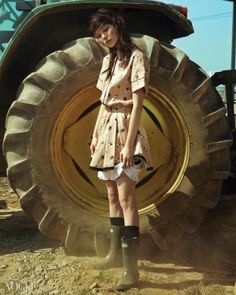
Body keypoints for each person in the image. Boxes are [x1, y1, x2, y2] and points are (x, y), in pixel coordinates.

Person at [89, 8, 153, 291]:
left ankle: (131, 269)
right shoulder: (107, 61)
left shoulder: (136, 57)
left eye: (106, 30)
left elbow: (138, 102)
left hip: (126, 127)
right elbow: (104, 102)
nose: (104, 36)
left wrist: (129, 144)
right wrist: (95, 134)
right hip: (106, 127)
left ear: (116, 26)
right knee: (112, 196)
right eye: (99, 34)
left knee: (127, 199)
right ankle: (114, 255)